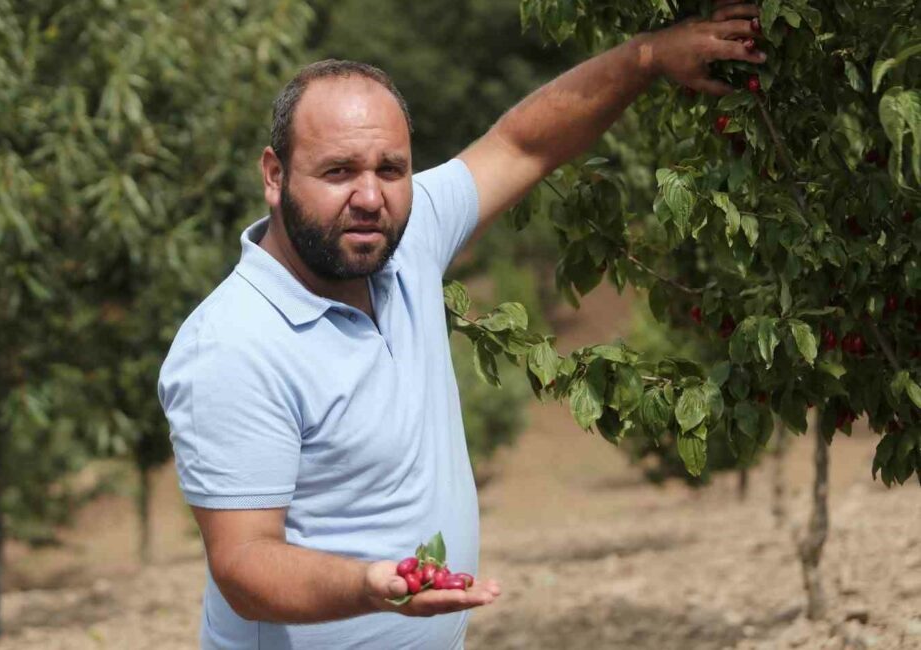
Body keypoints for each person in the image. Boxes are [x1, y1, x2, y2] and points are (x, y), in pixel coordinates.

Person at [157, 3, 766, 648]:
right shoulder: (233, 346)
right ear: (275, 176)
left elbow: (521, 143)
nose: (370, 195)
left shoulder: (403, 239)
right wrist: (370, 586)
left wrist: (648, 57)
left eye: (390, 169)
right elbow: (245, 563)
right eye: (338, 171)